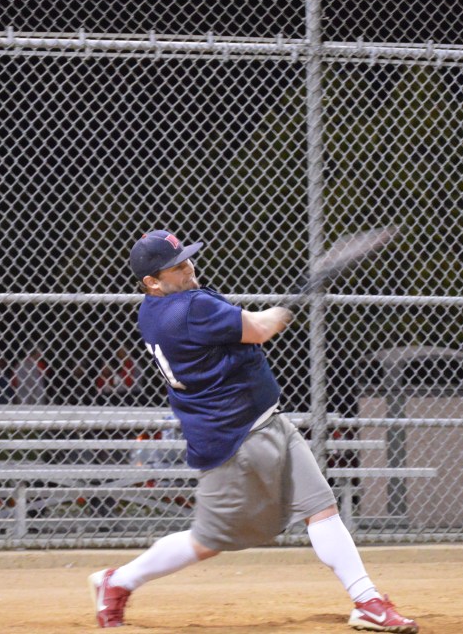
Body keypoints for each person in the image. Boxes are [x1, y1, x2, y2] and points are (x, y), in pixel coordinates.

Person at [88, 231, 419, 632]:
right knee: (207, 540)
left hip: (266, 421)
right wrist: (284, 310)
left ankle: (366, 600)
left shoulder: (154, 309)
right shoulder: (188, 308)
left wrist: (275, 313)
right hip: (235, 438)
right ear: (152, 282)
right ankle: (117, 582)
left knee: (320, 508)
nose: (188, 268)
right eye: (176, 267)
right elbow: (260, 329)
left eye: (187, 259)